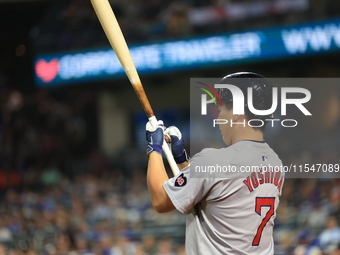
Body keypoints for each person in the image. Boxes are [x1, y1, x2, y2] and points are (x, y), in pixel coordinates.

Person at [145, 72, 285, 255]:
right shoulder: (275, 162)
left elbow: (160, 200)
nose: (218, 119)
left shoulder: (214, 161)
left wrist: (153, 148)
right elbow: (216, 192)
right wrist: (183, 161)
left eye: (220, 110)